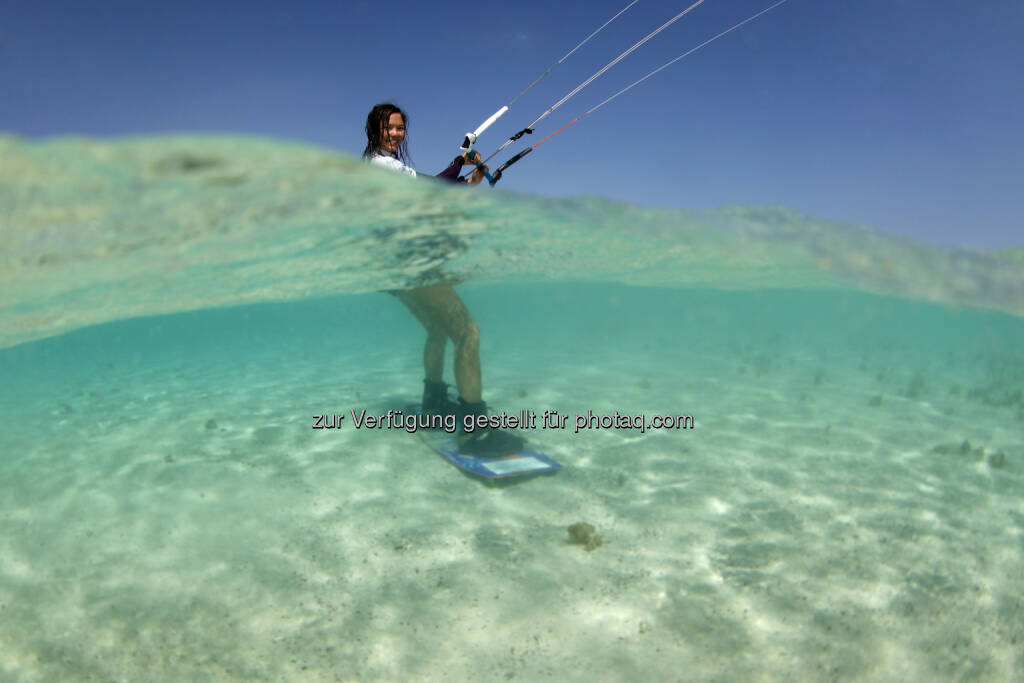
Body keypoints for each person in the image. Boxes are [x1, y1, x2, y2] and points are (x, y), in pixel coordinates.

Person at [363, 103, 525, 457]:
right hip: (411, 265)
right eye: (388, 127)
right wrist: (459, 161)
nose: (395, 133)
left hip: (395, 269)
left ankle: (434, 401)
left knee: (438, 330)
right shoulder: (381, 165)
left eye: (400, 128)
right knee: (467, 333)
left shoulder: (384, 166)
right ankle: (474, 434)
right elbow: (432, 188)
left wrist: (469, 180)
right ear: (374, 129)